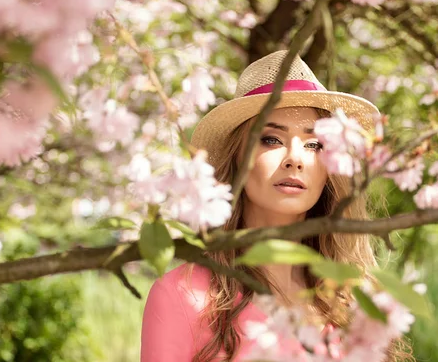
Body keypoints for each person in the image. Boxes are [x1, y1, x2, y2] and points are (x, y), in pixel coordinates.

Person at [140, 50, 412, 361]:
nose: (295, 159)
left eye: (314, 145)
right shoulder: (184, 296)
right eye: (271, 139)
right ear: (238, 158)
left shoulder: (356, 299)